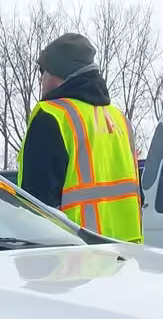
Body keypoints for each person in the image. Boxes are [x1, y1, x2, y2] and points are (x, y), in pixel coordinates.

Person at [17, 33, 143, 243]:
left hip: (72, 260)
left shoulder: (51, 116)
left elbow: (36, 203)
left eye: (43, 71)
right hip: (125, 256)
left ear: (57, 73)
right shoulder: (120, 120)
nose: (41, 79)